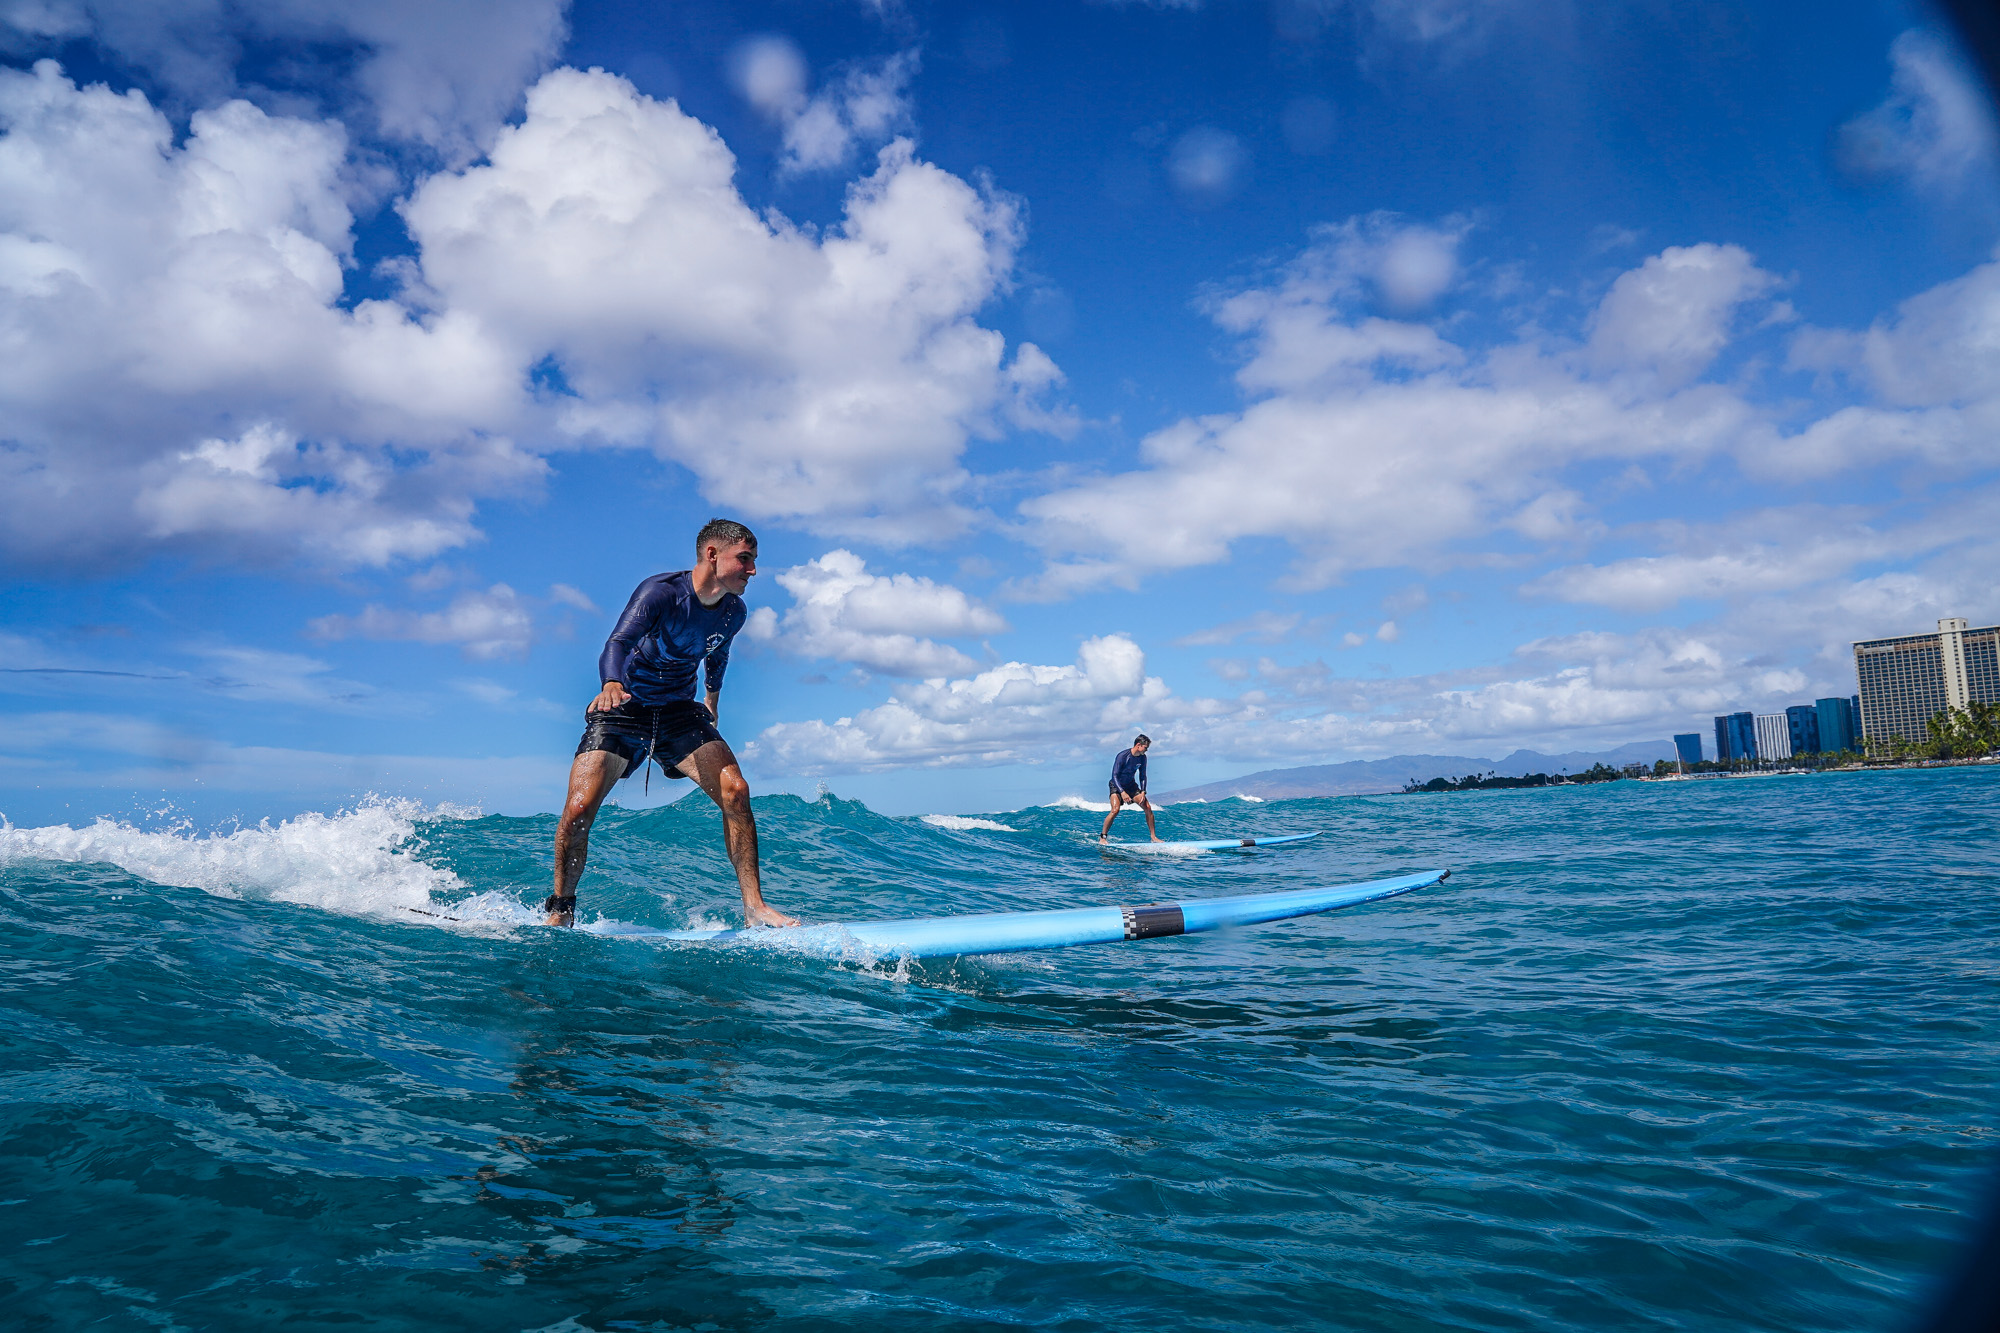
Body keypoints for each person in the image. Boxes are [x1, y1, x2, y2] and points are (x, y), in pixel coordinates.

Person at [546, 518, 797, 929]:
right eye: (745, 559)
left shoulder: (734, 611)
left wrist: (711, 700)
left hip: (679, 709)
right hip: (625, 705)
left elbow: (717, 656)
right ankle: (561, 908)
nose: (753, 570)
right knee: (577, 810)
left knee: (737, 791)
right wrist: (610, 683)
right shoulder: (661, 593)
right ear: (713, 555)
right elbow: (619, 642)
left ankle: (755, 908)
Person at [1100, 734, 1160, 843]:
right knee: (1115, 810)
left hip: (1131, 785)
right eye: (1145, 747)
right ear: (1138, 745)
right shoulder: (1122, 756)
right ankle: (1103, 837)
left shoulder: (1142, 758)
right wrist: (1122, 792)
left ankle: (1153, 837)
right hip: (1116, 785)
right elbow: (1114, 775)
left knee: (1147, 807)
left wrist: (1143, 792)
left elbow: (1143, 775)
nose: (1146, 750)